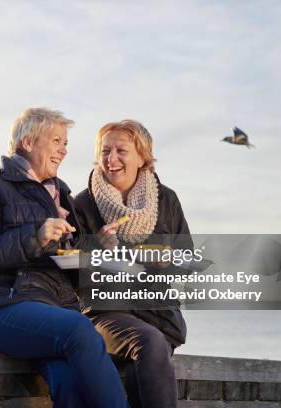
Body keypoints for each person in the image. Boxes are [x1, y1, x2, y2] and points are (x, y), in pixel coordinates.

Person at [0, 108, 129, 408]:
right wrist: (35, 236)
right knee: (78, 329)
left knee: (69, 380)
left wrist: (97, 247)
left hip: (48, 314)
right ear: (29, 142)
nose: (64, 149)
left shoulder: (60, 194)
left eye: (66, 142)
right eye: (57, 140)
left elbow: (68, 269)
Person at [74, 119, 193, 408]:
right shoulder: (82, 204)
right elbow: (68, 270)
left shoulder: (167, 199)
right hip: (106, 314)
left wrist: (168, 260)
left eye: (121, 151)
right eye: (105, 151)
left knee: (143, 362)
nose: (111, 159)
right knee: (149, 344)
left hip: (159, 316)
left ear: (142, 157)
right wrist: (96, 250)